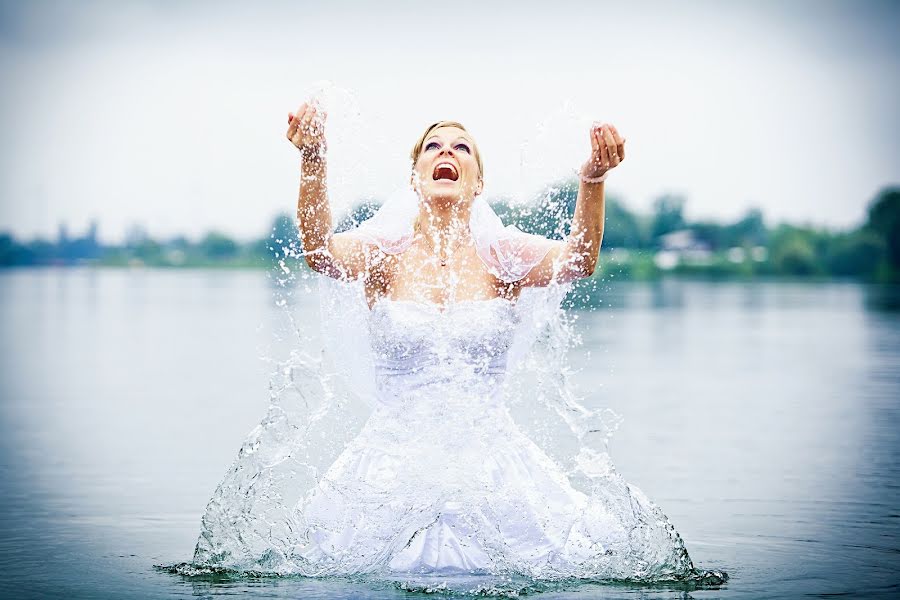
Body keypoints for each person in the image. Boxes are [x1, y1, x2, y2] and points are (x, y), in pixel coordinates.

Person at [190, 100, 712, 585]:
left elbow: (579, 260)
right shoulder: (384, 254)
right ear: (415, 177)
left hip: (492, 465)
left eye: (461, 146)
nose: (446, 151)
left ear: (478, 182)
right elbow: (319, 252)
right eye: (434, 146)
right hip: (389, 463)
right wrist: (313, 157)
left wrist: (593, 178)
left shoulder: (503, 256)